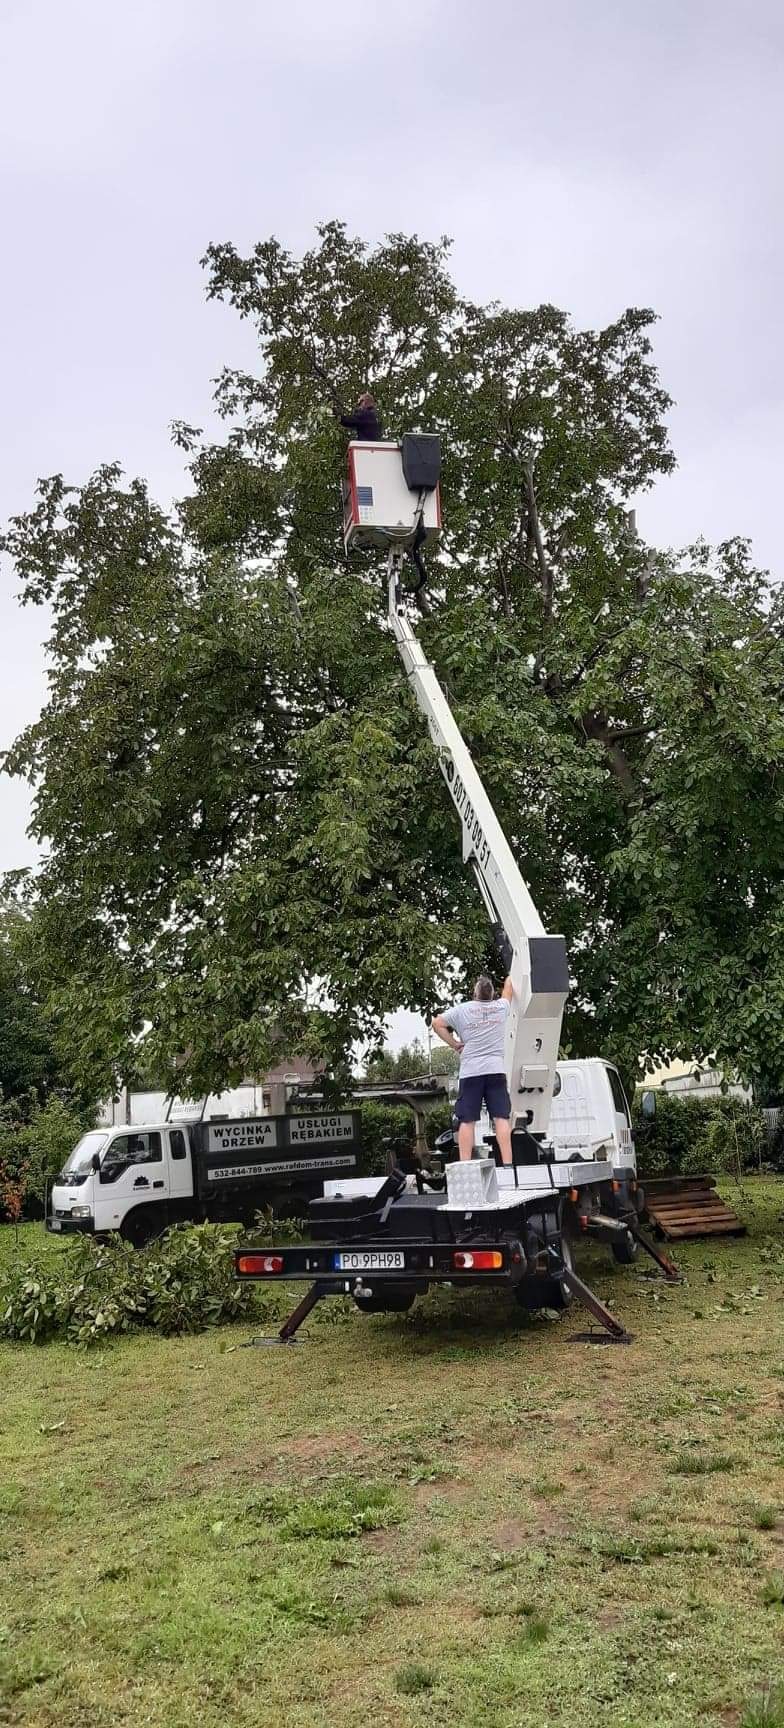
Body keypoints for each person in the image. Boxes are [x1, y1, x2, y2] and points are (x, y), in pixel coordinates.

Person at [431, 975, 515, 1166]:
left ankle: (465, 1165)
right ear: (492, 994)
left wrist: (455, 1044)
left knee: (467, 1120)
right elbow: (509, 988)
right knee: (501, 1117)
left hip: (471, 1071)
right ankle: (508, 1164)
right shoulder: (501, 1007)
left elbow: (437, 1023)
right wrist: (512, 972)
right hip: (495, 1070)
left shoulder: (463, 1010)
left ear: (475, 994)